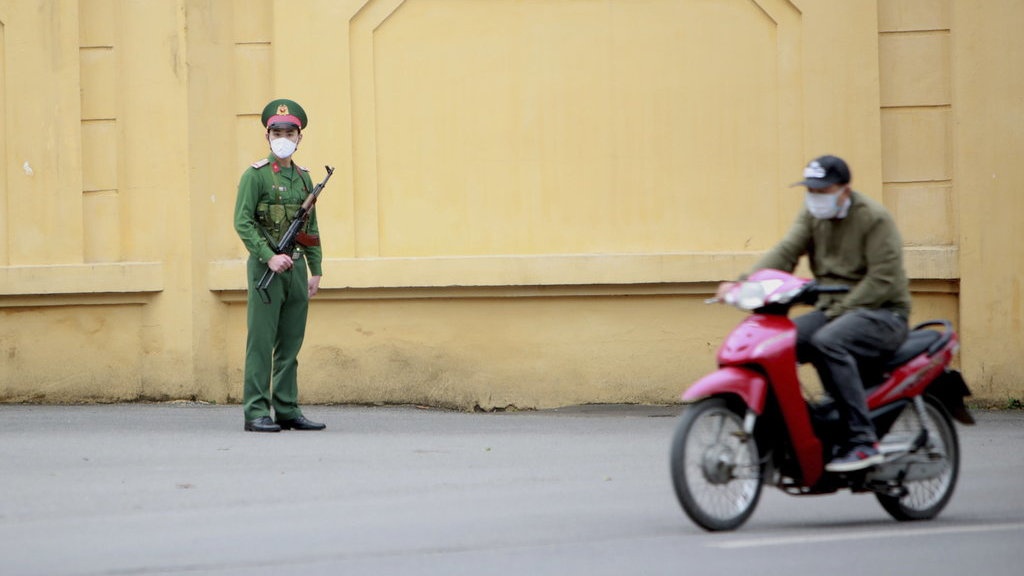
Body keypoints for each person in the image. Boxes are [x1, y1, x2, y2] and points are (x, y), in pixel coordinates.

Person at [717, 155, 911, 472]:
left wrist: (840, 308)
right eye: (811, 190)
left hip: (883, 314)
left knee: (827, 341)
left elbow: (883, 280)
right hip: (834, 310)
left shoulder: (874, 219)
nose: (815, 197)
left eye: (823, 190)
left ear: (844, 190)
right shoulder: (812, 215)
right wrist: (743, 284)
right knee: (776, 344)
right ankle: (802, 430)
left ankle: (863, 441)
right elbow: (786, 252)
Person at [233, 98, 326, 433]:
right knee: (261, 343)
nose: (283, 138)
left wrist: (316, 269)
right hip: (266, 270)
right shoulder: (255, 176)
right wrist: (268, 256)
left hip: (296, 270)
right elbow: (243, 222)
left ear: (299, 137)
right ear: (267, 136)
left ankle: (287, 408)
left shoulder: (304, 179)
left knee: (290, 343)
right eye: (277, 132)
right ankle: (256, 411)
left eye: (289, 133)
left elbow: (310, 227)